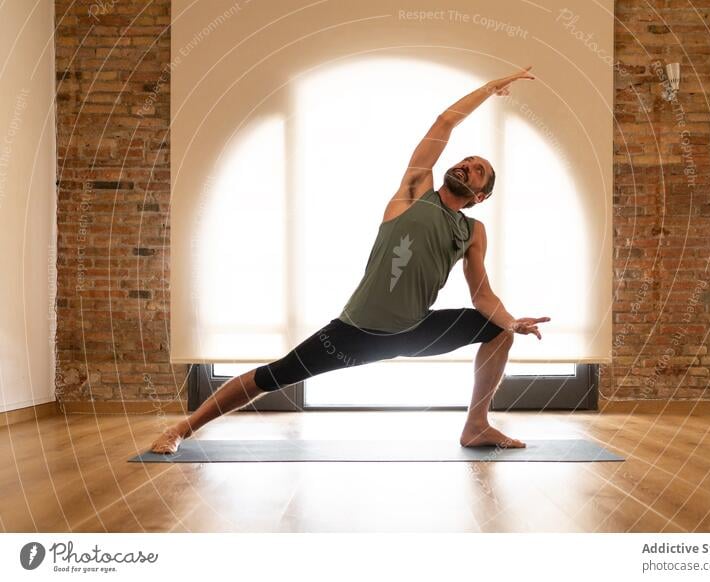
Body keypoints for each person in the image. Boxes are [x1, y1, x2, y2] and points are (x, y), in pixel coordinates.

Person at [150, 65, 549, 454]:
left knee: (499, 331)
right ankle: (182, 429)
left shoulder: (472, 230)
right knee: (275, 375)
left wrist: (511, 320)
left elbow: (481, 293)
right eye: (468, 160)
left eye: (478, 170)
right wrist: (489, 88)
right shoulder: (413, 192)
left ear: (480, 196)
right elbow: (444, 123)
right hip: (356, 332)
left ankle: (476, 426)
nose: (467, 165)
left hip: (415, 330)